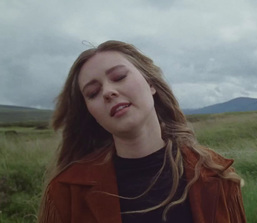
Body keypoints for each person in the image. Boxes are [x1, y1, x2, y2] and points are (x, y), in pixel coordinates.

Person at [37, 40, 246, 223]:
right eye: (93, 93)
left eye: (119, 77)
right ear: (91, 113)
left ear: (150, 84)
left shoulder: (216, 174)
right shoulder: (66, 192)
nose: (108, 92)